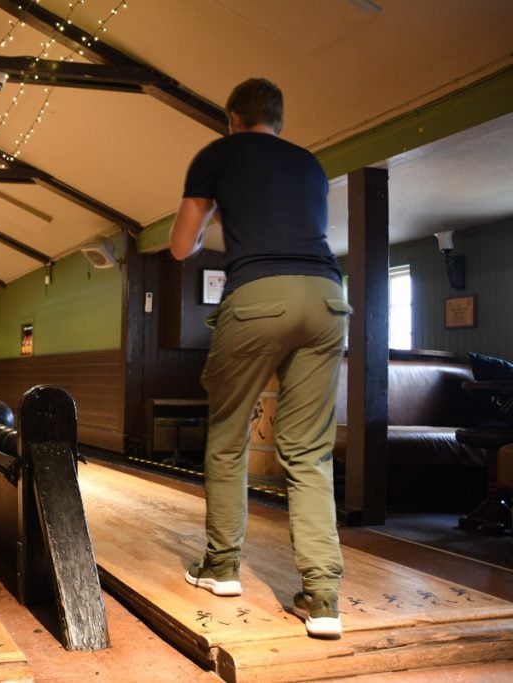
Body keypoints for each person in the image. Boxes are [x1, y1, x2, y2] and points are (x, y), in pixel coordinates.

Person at [169, 77, 352, 639]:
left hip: (257, 298)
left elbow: (181, 246)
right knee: (310, 452)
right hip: (326, 297)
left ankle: (222, 568)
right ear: (280, 120)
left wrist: (211, 232)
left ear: (231, 118)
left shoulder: (216, 154)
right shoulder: (311, 164)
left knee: (227, 438)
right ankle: (321, 598)